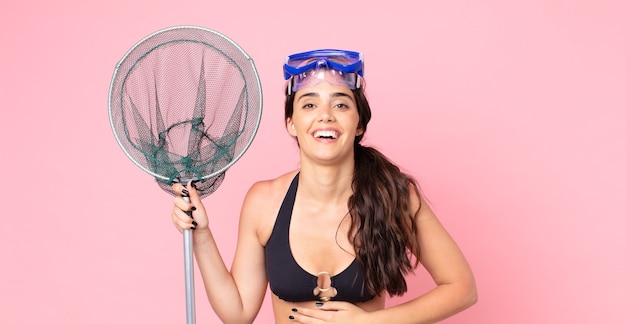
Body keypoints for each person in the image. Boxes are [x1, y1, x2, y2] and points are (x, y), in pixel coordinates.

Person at [171, 49, 477, 323]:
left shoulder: (394, 196)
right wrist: (201, 236)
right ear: (291, 123)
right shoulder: (264, 201)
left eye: (341, 105)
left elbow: (462, 288)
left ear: (359, 123)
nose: (325, 116)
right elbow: (237, 313)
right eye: (309, 105)